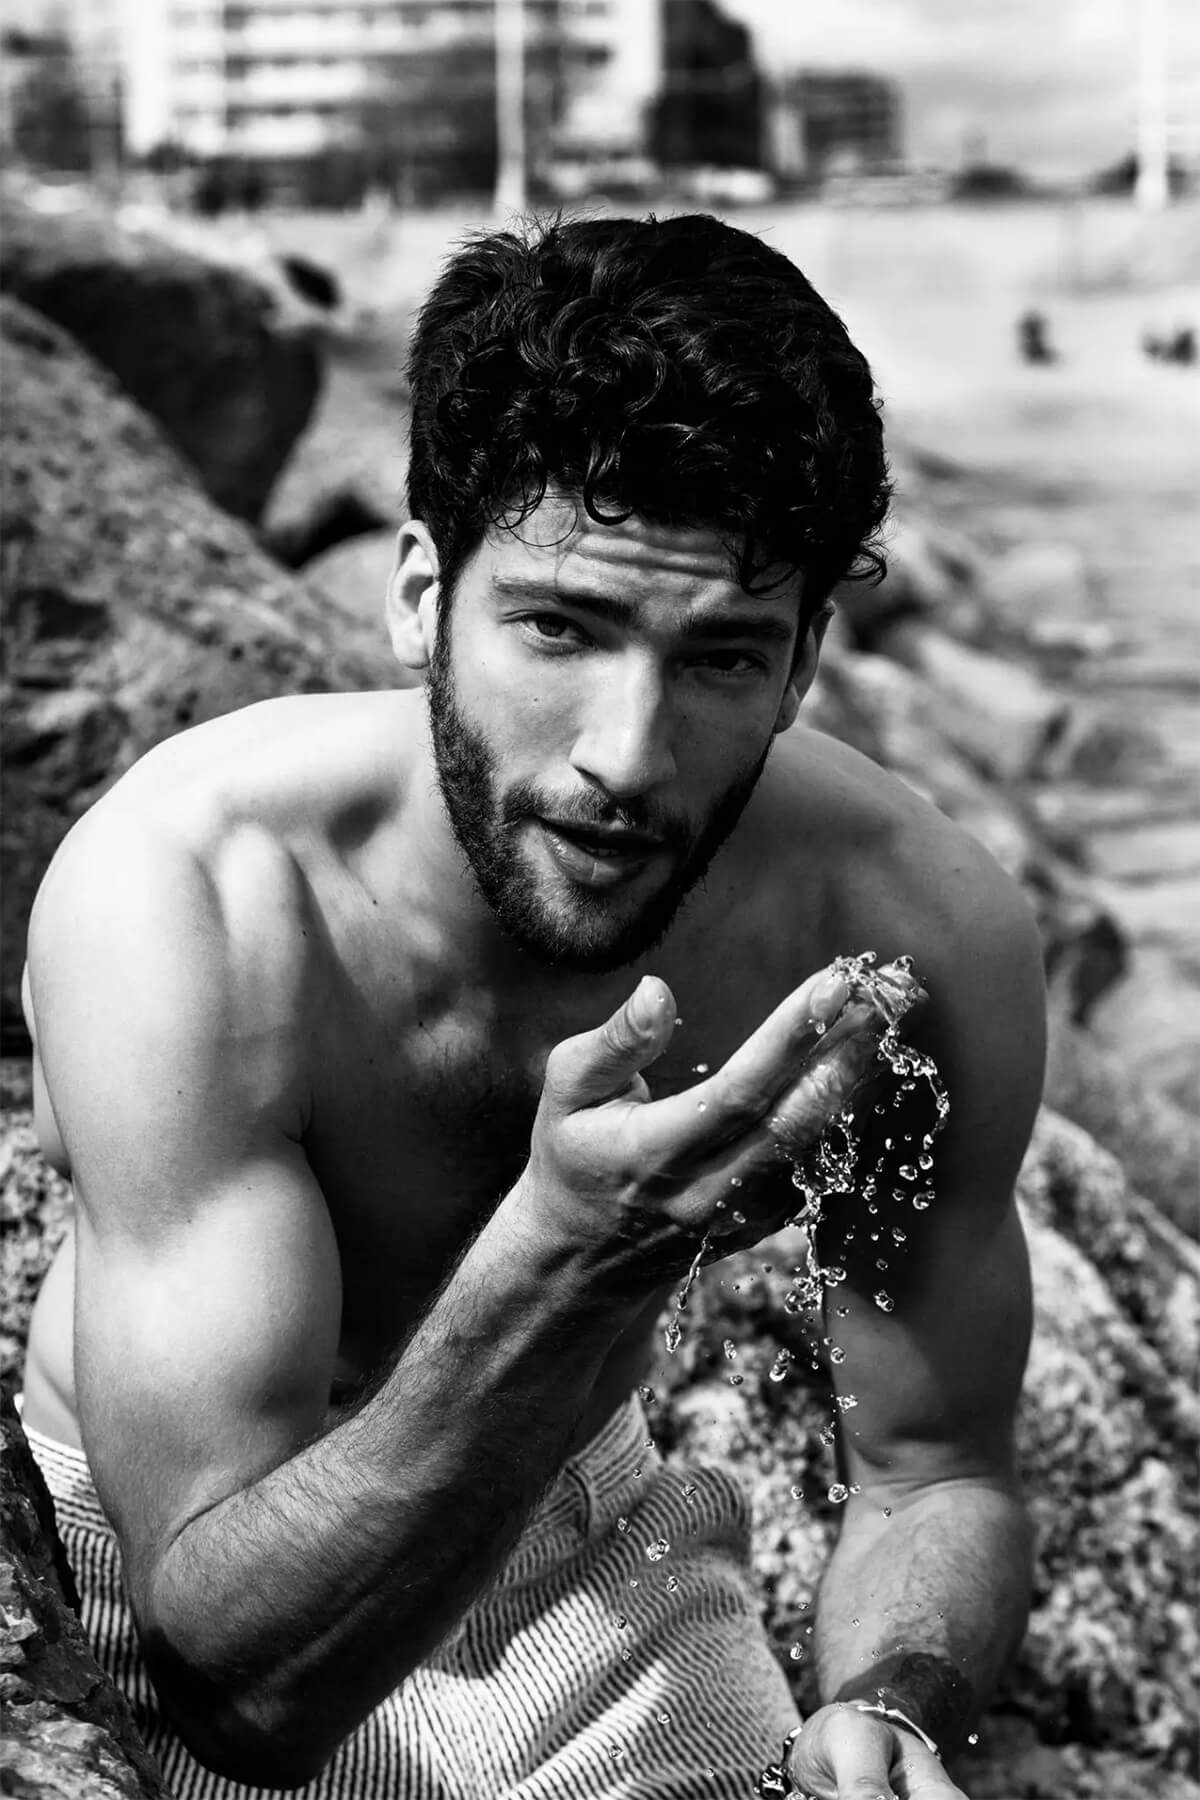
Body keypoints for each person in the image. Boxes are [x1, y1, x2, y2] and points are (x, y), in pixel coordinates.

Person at [19, 213, 1044, 1800]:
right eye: (561, 627)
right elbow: (242, 1690)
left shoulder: (906, 933)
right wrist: (567, 1259)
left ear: (805, 665)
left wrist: (896, 1700)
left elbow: (938, 1470)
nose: (626, 757)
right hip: (190, 1571)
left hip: (588, 1544)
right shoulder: (199, 895)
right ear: (420, 597)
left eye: (723, 658)